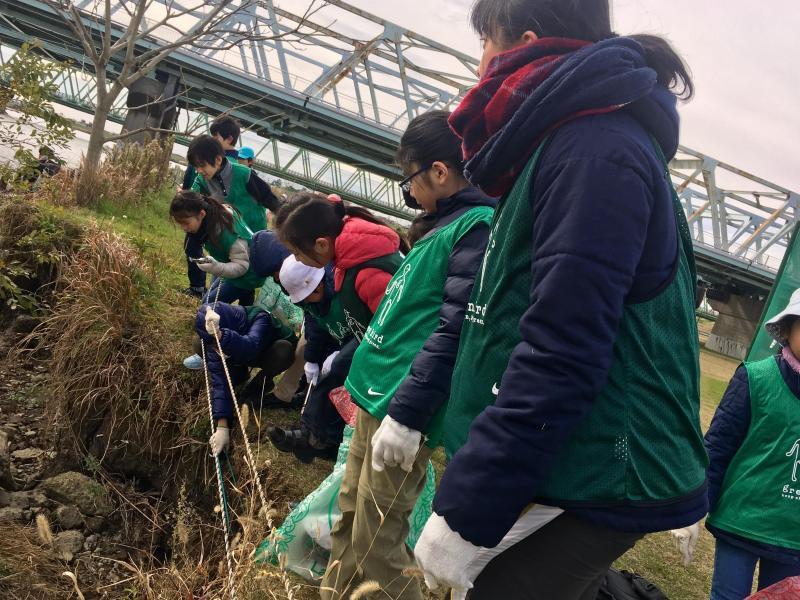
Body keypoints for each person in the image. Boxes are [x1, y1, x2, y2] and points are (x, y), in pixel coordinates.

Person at [412, 2, 708, 599]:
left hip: (605, 465)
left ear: (524, 42)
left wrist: (472, 504)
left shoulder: (595, 150)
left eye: (484, 44)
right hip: (574, 457)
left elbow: (563, 348)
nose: (479, 66)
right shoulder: (570, 141)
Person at [318, 110, 495, 600]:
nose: (407, 191)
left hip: (399, 402)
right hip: (377, 396)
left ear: (439, 172)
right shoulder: (446, 224)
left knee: (380, 541)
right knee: (352, 514)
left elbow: (455, 328)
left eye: (408, 179)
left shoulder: (475, 228)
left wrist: (409, 415)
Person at [702, 290, 800, 599]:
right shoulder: (755, 378)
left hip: (793, 535)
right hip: (740, 521)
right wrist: (696, 507)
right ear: (787, 329)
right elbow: (717, 448)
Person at [273, 193, 407, 343]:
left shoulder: (368, 274)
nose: (297, 259)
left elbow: (400, 333)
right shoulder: (347, 259)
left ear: (321, 245)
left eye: (296, 253)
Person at [267, 255, 355, 461]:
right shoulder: (315, 301)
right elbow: (315, 326)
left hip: (363, 342)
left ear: (316, 286)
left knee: (339, 373)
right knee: (324, 376)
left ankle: (316, 438)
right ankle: (315, 437)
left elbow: (365, 321)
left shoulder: (345, 292)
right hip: (338, 342)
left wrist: (342, 350)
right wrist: (313, 359)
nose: (305, 303)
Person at [197, 302, 297, 457]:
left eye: (216, 343)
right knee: (200, 346)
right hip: (237, 349)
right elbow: (219, 382)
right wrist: (222, 427)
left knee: (283, 350)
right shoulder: (213, 341)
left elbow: (250, 346)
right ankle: (239, 374)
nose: (215, 348)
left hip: (266, 352)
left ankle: (262, 381)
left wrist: (222, 337)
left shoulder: (260, 318)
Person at [169, 191, 264, 309]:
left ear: (202, 214)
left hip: (249, 274)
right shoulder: (212, 214)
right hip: (236, 262)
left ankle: (244, 300)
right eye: (180, 224)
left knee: (207, 306)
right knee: (210, 300)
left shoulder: (227, 232)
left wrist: (217, 267)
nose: (184, 228)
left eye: (186, 223)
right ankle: (246, 300)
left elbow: (242, 266)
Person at [181, 117, 242, 298]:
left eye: (215, 137)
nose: (211, 141)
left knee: (207, 252)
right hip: (209, 216)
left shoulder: (230, 167)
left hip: (211, 218)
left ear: (228, 139)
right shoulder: (215, 161)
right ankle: (208, 292)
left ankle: (201, 289)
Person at [188, 135, 281, 235]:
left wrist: (286, 219)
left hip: (255, 237)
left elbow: (270, 199)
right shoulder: (201, 180)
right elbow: (191, 201)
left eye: (202, 165)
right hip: (230, 238)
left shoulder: (245, 174)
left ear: (218, 160)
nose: (199, 171)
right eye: (196, 167)